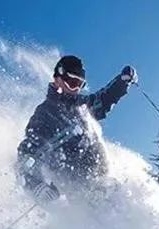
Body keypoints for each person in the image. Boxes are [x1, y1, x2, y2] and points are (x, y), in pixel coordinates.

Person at [16, 55, 137, 203]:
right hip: (77, 188)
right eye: (72, 83)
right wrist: (35, 185)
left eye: (80, 85)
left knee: (124, 199)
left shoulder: (81, 105)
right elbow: (28, 153)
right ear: (58, 79)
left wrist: (122, 82)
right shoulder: (45, 114)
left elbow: (103, 99)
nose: (76, 89)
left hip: (101, 180)